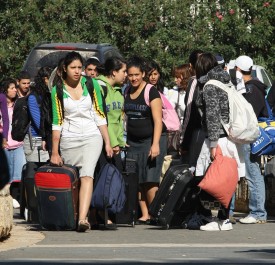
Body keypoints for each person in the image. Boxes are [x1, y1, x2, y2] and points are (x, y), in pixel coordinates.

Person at [50, 51, 113, 232]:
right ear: (65, 69)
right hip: (69, 139)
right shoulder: (58, 90)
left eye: (80, 68)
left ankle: (83, 219)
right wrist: (55, 151)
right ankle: (71, 215)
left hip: (92, 137)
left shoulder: (91, 85)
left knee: (87, 175)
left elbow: (100, 115)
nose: (77, 71)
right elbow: (57, 122)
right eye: (73, 68)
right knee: (73, 179)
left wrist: (107, 141)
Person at [194, 53, 244, 231]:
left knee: (207, 177)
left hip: (216, 139)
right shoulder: (227, 81)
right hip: (229, 138)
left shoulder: (209, 86)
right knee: (226, 179)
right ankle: (224, 218)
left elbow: (212, 116)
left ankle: (212, 219)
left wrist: (213, 144)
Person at [124, 56, 166, 224]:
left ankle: (156, 214)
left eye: (136, 75)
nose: (133, 78)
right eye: (130, 75)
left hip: (152, 141)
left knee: (150, 179)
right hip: (133, 143)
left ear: (143, 74)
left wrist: (155, 144)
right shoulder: (126, 90)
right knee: (136, 179)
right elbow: (123, 116)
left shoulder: (151, 91)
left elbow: (158, 121)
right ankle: (145, 214)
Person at [94, 57, 127, 228]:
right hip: (102, 142)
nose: (126, 75)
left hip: (115, 143)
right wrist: (111, 142)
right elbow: (103, 118)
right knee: (104, 177)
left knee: (115, 176)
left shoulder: (119, 89)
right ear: (113, 72)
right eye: (123, 71)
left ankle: (108, 212)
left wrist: (121, 141)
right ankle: (101, 213)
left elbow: (118, 119)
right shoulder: (99, 87)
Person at [235, 55, 268, 224]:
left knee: (253, 172)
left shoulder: (250, 89)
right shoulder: (255, 87)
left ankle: (258, 212)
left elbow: (250, 115)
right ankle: (258, 212)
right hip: (252, 136)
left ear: (239, 70)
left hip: (250, 136)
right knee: (253, 172)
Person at [1, 78, 26, 208]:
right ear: (5, 90)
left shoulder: (19, 104)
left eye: (15, 87)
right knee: (6, 173)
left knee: (19, 171)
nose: (15, 90)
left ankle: (14, 198)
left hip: (17, 143)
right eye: (11, 88)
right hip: (4, 144)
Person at [180, 49, 204, 170]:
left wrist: (183, 139)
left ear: (190, 66)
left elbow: (189, 112)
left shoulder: (195, 81)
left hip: (196, 135)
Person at [24, 67, 52, 162]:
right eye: (52, 78)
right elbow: (39, 123)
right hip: (37, 141)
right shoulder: (33, 97)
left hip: (51, 137)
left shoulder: (50, 95)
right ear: (45, 79)